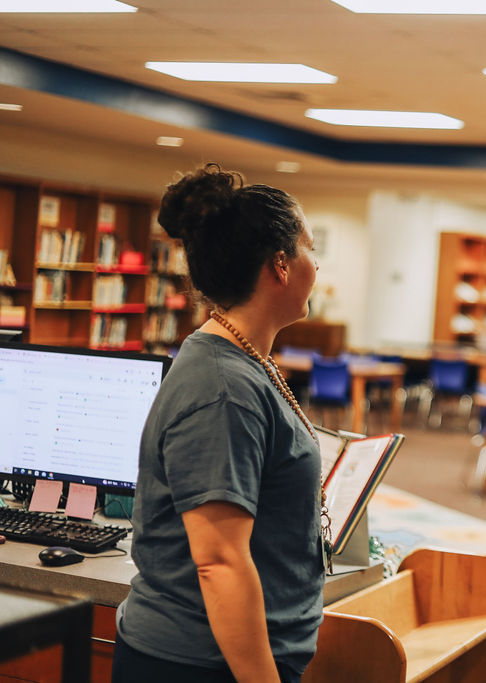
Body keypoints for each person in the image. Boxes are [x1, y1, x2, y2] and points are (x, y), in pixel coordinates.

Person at [112, 163, 324, 682]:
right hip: (199, 663)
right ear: (280, 264)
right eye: (310, 249)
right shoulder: (223, 387)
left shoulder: (244, 362)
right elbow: (219, 562)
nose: (316, 265)